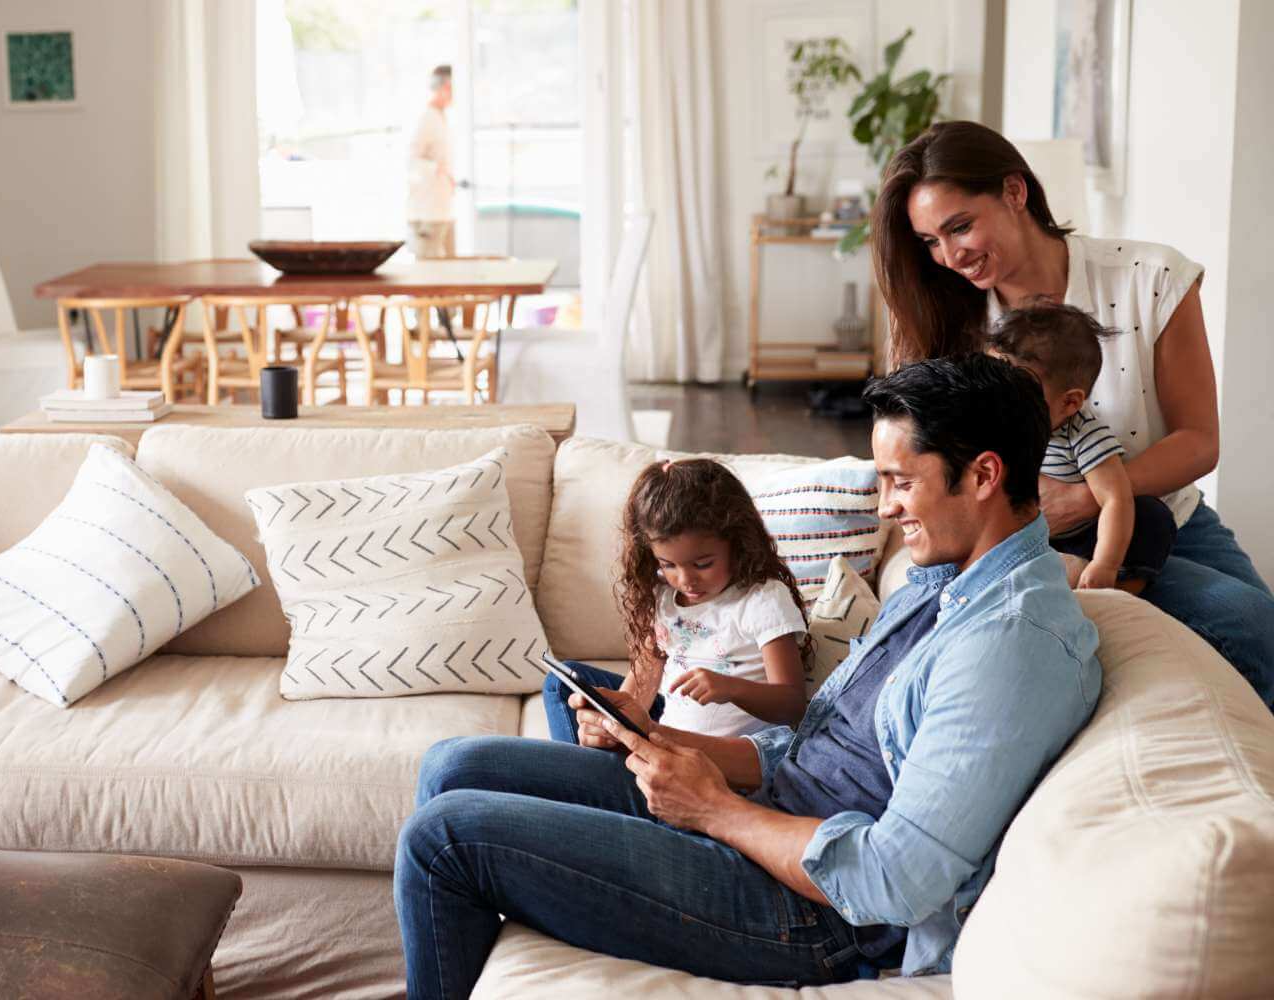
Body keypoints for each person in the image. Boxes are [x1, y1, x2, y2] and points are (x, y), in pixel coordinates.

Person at [394, 354, 1100, 999]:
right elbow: (809, 743)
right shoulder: (940, 580)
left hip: (810, 908)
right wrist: (663, 739)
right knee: (455, 764)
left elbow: (896, 881)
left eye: (901, 481)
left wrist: (712, 809)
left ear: (982, 475)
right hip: (764, 810)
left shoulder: (1009, 647)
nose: (886, 505)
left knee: (445, 838)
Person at [873, 119, 1274, 706]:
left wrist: (1093, 494)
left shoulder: (1150, 278)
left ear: (1015, 192)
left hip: (1168, 517)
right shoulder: (951, 322)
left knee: (1260, 630)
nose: (949, 255)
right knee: (1249, 626)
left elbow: (1197, 440)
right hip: (1033, 541)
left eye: (960, 226)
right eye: (930, 241)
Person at [543, 458, 809, 745]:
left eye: (703, 564)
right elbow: (638, 693)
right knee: (562, 685)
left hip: (714, 761)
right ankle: (589, 767)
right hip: (662, 742)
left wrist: (730, 688)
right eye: (667, 565)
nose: (685, 580)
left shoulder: (762, 599)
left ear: (737, 542)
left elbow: (793, 704)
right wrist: (612, 727)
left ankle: (584, 775)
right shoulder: (663, 597)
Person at [986, 303, 1177, 594]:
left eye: (1019, 390)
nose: (1000, 400)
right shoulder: (993, 425)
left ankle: (1121, 588)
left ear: (1070, 403)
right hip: (1023, 536)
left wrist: (1105, 563)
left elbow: (1115, 498)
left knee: (1151, 515)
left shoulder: (1082, 433)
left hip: (1083, 538)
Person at [406, 65, 456, 259]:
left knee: (448, 276)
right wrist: (437, 169)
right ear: (446, 87)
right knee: (429, 274)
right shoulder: (425, 118)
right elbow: (410, 161)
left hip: (442, 210)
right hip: (426, 213)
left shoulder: (441, 117)